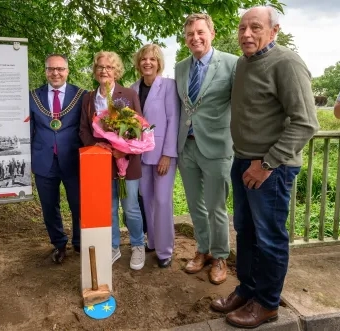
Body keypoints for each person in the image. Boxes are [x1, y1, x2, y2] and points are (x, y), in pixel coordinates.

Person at [211, 7, 319, 329]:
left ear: (274, 31)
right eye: (242, 27)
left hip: (271, 169)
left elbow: (306, 123)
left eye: (255, 27)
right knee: (245, 231)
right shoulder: (244, 64)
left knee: (269, 237)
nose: (246, 33)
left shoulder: (286, 63)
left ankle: (268, 304)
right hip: (243, 161)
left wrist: (267, 163)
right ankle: (247, 290)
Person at [175, 13, 238, 284]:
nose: (195, 38)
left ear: (212, 33)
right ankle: (203, 250)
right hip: (186, 147)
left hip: (217, 147)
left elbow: (243, 105)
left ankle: (220, 255)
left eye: (200, 32)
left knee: (216, 207)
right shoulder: (180, 68)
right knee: (195, 206)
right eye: (190, 34)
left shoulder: (233, 64)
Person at [80, 51, 145, 270]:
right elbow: (83, 130)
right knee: (108, 208)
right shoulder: (89, 98)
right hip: (100, 162)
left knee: (131, 207)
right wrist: (98, 146)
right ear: (95, 70)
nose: (104, 71)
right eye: (100, 67)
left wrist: (122, 150)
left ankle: (137, 245)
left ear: (116, 70)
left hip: (126, 160)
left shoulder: (127, 94)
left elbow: (139, 129)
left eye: (109, 67)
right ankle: (113, 246)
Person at [29, 54, 86, 264]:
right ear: (45, 71)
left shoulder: (82, 95)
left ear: (67, 71)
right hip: (44, 160)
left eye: (60, 69)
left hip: (73, 159)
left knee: (78, 204)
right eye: (51, 69)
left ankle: (80, 243)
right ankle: (59, 244)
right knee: (49, 206)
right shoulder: (33, 96)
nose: (56, 73)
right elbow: (27, 129)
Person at [130, 44, 180, 268]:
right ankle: (152, 240)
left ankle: (165, 250)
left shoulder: (169, 86)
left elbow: (173, 120)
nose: (147, 62)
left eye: (152, 59)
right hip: (139, 155)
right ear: (138, 63)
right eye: (143, 59)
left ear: (159, 63)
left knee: (162, 201)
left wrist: (168, 154)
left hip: (162, 156)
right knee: (146, 200)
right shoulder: (132, 89)